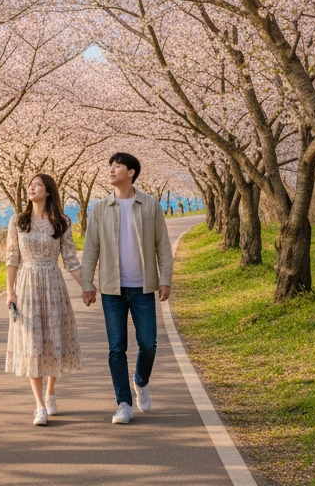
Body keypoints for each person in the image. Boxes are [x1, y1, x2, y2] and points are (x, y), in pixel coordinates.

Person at [81, 152, 173, 425]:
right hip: (112, 290)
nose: (111, 170)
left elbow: (163, 246)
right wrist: (88, 285)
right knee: (116, 348)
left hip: (143, 287)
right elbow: (90, 250)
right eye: (110, 165)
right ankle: (123, 403)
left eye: (117, 165)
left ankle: (140, 381)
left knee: (148, 344)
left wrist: (165, 279)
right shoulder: (100, 208)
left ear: (131, 172)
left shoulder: (150, 205)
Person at [6, 173, 83, 426]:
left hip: (53, 284)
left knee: (52, 339)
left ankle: (51, 392)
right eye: (30, 184)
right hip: (27, 284)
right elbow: (12, 258)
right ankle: (39, 406)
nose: (32, 187)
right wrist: (10, 291)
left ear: (48, 191)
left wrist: (89, 288)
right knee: (32, 343)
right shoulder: (19, 221)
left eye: (37, 184)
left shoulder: (62, 222)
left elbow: (70, 259)